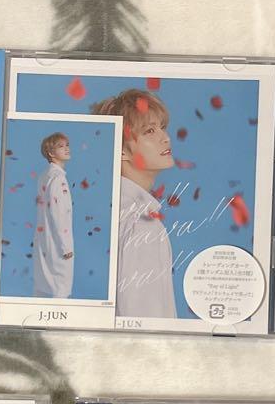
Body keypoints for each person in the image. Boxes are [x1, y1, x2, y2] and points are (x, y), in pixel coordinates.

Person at [91, 88, 177, 317]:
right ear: (120, 151)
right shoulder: (142, 224)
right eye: (150, 131)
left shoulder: (108, 210)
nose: (165, 137)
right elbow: (145, 322)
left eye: (162, 127)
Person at [33, 131, 75, 297]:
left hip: (43, 241)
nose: (67, 149)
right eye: (61, 146)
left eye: (67, 145)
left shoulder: (45, 176)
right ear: (51, 153)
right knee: (60, 289)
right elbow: (58, 213)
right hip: (58, 244)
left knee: (43, 287)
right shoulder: (58, 178)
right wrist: (65, 246)